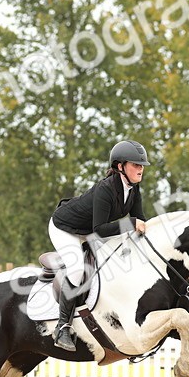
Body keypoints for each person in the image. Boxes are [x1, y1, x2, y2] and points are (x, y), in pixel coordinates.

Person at [48, 139, 149, 349]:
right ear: (120, 167)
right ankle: (62, 327)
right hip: (64, 227)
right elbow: (101, 230)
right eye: (136, 165)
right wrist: (131, 223)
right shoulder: (106, 189)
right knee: (77, 270)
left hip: (89, 230)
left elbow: (139, 223)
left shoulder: (134, 190)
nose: (140, 169)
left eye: (142, 166)